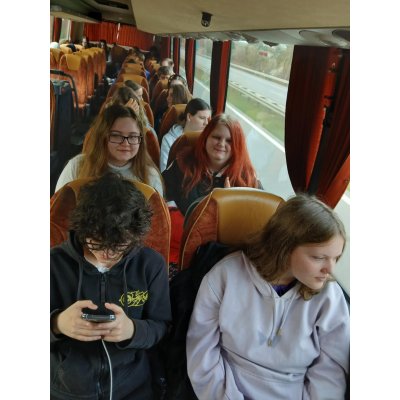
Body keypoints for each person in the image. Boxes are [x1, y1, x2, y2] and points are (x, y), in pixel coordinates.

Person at [186, 194, 350, 400]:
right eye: (319, 257)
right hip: (228, 390)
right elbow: (202, 353)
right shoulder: (225, 276)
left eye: (336, 258)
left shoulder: (330, 297)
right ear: (285, 247)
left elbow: (330, 371)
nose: (329, 269)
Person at [51, 173, 171, 399]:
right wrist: (57, 324)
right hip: (65, 389)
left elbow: (161, 326)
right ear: (83, 230)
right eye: (97, 243)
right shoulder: (53, 264)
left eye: (118, 247)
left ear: (134, 238)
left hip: (132, 387)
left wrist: (132, 330)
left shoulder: (150, 265)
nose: (107, 254)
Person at [162, 113, 262, 216]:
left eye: (229, 141)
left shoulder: (248, 178)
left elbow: (258, 216)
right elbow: (163, 200)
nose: (221, 144)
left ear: (237, 146)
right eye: (216, 137)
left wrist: (230, 204)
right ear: (206, 138)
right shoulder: (183, 163)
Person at [55, 104, 164, 195]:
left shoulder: (150, 176)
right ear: (102, 136)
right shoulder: (76, 167)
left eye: (133, 136)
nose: (125, 143)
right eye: (116, 135)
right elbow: (59, 210)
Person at [160, 98, 211, 172]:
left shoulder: (208, 141)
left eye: (207, 119)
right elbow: (164, 171)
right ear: (189, 117)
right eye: (202, 118)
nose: (206, 123)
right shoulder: (169, 140)